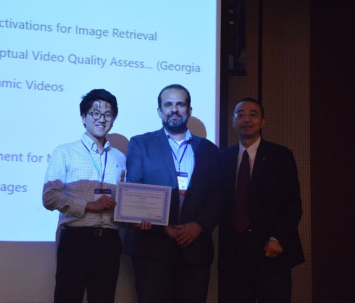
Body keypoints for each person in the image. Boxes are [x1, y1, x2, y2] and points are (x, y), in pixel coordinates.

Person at [123, 84, 222, 303]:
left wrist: (198, 226)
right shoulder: (141, 144)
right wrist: (163, 226)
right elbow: (134, 187)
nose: (174, 109)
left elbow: (218, 196)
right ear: (160, 111)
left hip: (195, 249)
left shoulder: (209, 149)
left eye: (180, 104)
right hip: (152, 248)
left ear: (189, 110)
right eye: (168, 104)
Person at [218, 98, 305, 303]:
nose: (246, 119)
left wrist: (278, 238)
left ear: (263, 122)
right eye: (240, 114)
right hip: (233, 252)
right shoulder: (222, 158)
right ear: (232, 121)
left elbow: (293, 203)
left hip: (271, 250)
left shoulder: (280, 155)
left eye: (253, 114)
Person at [42, 89, 125, 303]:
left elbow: (126, 203)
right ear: (83, 117)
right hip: (75, 240)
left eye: (108, 114)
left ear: (113, 120)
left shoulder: (120, 158)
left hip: (109, 241)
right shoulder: (64, 152)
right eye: (95, 112)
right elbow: (49, 197)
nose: (101, 118)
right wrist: (88, 205)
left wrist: (137, 218)